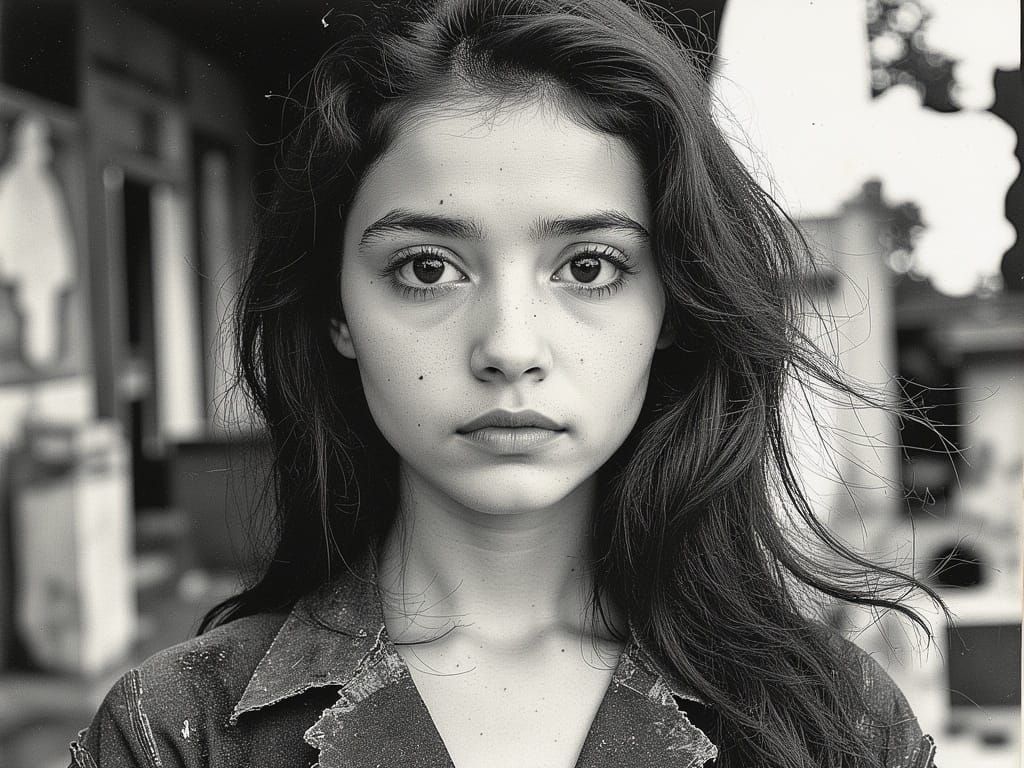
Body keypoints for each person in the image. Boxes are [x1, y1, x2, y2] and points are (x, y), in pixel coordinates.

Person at [69, 1, 941, 766]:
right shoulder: (178, 734)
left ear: (671, 307)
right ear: (337, 311)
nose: (510, 346)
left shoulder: (836, 725)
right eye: (427, 268)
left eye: (590, 266)